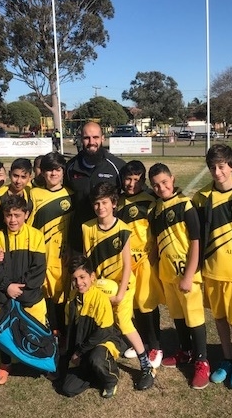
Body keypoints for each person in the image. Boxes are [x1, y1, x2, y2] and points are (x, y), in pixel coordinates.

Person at [82, 182, 155, 391]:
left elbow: (127, 266)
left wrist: (121, 293)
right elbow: (89, 262)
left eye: (104, 202)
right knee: (97, 321)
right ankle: (97, 360)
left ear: (113, 203)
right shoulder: (87, 228)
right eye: (96, 203)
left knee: (124, 323)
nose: (100, 207)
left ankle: (146, 366)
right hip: (100, 286)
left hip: (123, 285)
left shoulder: (123, 229)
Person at [192, 144, 232, 390]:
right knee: (219, 319)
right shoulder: (202, 197)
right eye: (212, 167)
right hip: (211, 270)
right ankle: (226, 359)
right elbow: (195, 235)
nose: (217, 172)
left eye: (222, 166)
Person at [148, 163, 210, 390]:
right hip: (167, 274)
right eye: (155, 185)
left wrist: (189, 274)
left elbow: (196, 242)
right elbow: (156, 242)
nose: (161, 187)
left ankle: (202, 360)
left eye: (164, 182)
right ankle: (185, 351)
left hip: (186, 274)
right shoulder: (156, 209)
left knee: (193, 316)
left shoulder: (186, 205)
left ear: (173, 179)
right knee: (177, 314)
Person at [0, 194, 48, 386]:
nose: (12, 220)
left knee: (36, 327)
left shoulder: (36, 236)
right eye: (8, 215)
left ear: (26, 215)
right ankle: (5, 364)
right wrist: (7, 287)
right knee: (4, 331)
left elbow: (38, 269)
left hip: (28, 294)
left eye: (17, 215)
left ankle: (40, 360)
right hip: (4, 294)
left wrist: (18, 290)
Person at [116, 160, 164, 369]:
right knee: (132, 303)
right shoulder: (117, 202)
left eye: (136, 180)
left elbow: (159, 231)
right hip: (126, 263)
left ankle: (155, 346)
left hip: (145, 261)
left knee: (147, 303)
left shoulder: (150, 200)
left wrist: (153, 255)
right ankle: (141, 343)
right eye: (128, 178)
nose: (131, 183)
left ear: (143, 181)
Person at [60, 255, 126, 398]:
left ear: (92, 277)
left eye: (82, 277)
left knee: (97, 358)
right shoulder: (72, 297)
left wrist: (79, 352)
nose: (79, 283)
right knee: (67, 388)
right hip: (83, 343)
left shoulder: (100, 299)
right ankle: (94, 373)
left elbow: (104, 332)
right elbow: (69, 328)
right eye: (74, 279)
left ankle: (111, 380)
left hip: (104, 340)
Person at [28, 152, 74, 339]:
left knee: (63, 295)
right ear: (42, 173)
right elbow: (28, 226)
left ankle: (64, 335)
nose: (53, 174)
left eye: (57, 169)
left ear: (63, 171)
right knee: (44, 296)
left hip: (63, 256)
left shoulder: (71, 194)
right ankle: (50, 333)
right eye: (49, 170)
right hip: (41, 256)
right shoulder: (34, 194)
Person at [65, 121, 125, 254]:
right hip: (79, 240)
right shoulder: (70, 167)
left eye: (95, 137)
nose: (91, 142)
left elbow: (136, 192)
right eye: (87, 138)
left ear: (103, 138)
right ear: (81, 140)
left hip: (109, 237)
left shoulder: (117, 166)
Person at [0, 158, 33, 235]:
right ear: (9, 174)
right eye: (15, 176)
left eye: (23, 177)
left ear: (30, 178)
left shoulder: (31, 195)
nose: (18, 181)